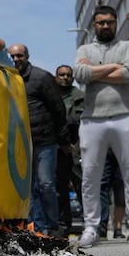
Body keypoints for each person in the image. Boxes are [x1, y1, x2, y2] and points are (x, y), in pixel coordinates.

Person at [73, 5, 129, 247]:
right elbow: (80, 74)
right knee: (90, 176)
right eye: (101, 22)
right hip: (91, 119)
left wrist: (94, 71)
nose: (105, 26)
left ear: (115, 23)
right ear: (94, 25)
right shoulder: (84, 49)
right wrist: (113, 68)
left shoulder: (127, 46)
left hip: (125, 116)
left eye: (109, 22)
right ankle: (91, 227)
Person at [8, 44, 71, 237]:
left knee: (46, 184)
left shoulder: (41, 77)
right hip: (23, 143)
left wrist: (63, 139)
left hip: (45, 140)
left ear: (27, 56)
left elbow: (58, 109)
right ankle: (36, 227)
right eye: (13, 56)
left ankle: (52, 226)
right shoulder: (8, 78)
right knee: (29, 189)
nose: (16, 59)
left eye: (20, 55)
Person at [54, 64, 84, 237]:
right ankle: (64, 224)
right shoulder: (51, 96)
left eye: (68, 75)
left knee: (82, 187)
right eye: (61, 74)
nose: (65, 77)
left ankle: (90, 224)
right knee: (60, 188)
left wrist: (75, 146)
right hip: (58, 149)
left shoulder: (80, 97)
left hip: (78, 148)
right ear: (56, 77)